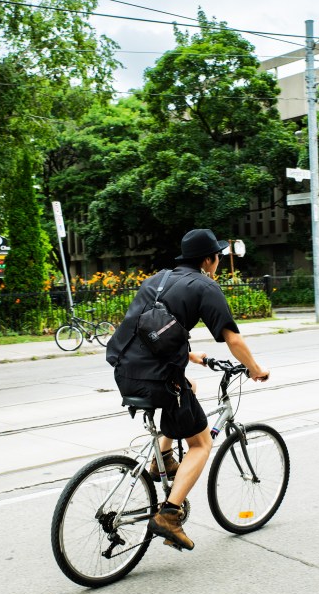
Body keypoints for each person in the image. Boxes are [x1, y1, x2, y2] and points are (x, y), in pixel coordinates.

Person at [106, 228, 270, 551]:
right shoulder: (205, 286)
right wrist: (255, 369)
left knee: (187, 385)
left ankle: (163, 458)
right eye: (217, 256)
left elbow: (150, 326)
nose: (218, 261)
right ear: (208, 260)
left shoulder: (158, 279)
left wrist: (191, 355)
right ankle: (169, 514)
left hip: (125, 371)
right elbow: (233, 339)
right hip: (157, 378)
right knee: (201, 443)